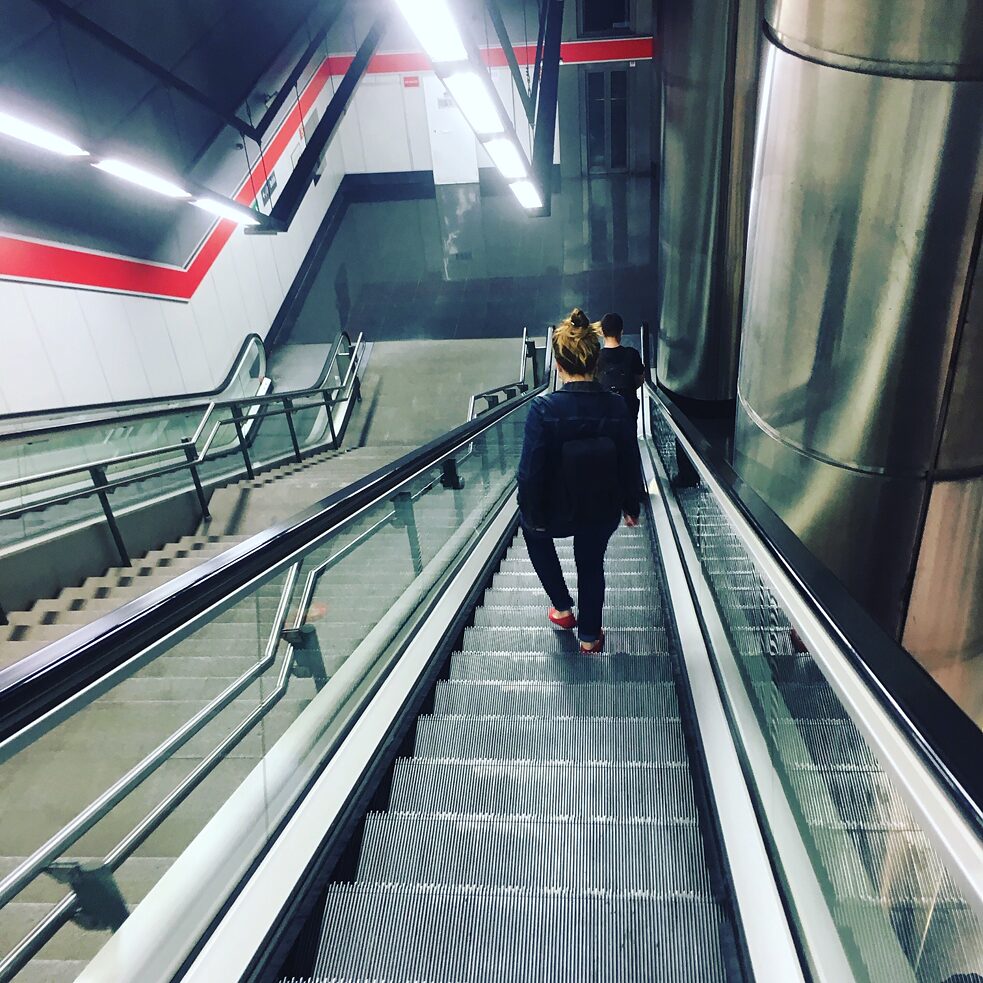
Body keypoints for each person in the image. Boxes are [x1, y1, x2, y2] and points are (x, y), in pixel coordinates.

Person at [517, 308, 644, 653]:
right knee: (591, 564)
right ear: (596, 361)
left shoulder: (543, 410)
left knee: (532, 533)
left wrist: (532, 515)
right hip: (601, 508)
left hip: (556, 511)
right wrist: (631, 505)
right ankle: (590, 637)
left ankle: (562, 607)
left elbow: (530, 472)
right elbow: (629, 460)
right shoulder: (617, 406)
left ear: (559, 365)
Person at [595, 313, 645, 420]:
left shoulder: (596, 357)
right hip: (628, 408)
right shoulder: (632, 354)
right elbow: (639, 380)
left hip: (603, 411)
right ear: (621, 331)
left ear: (602, 333)